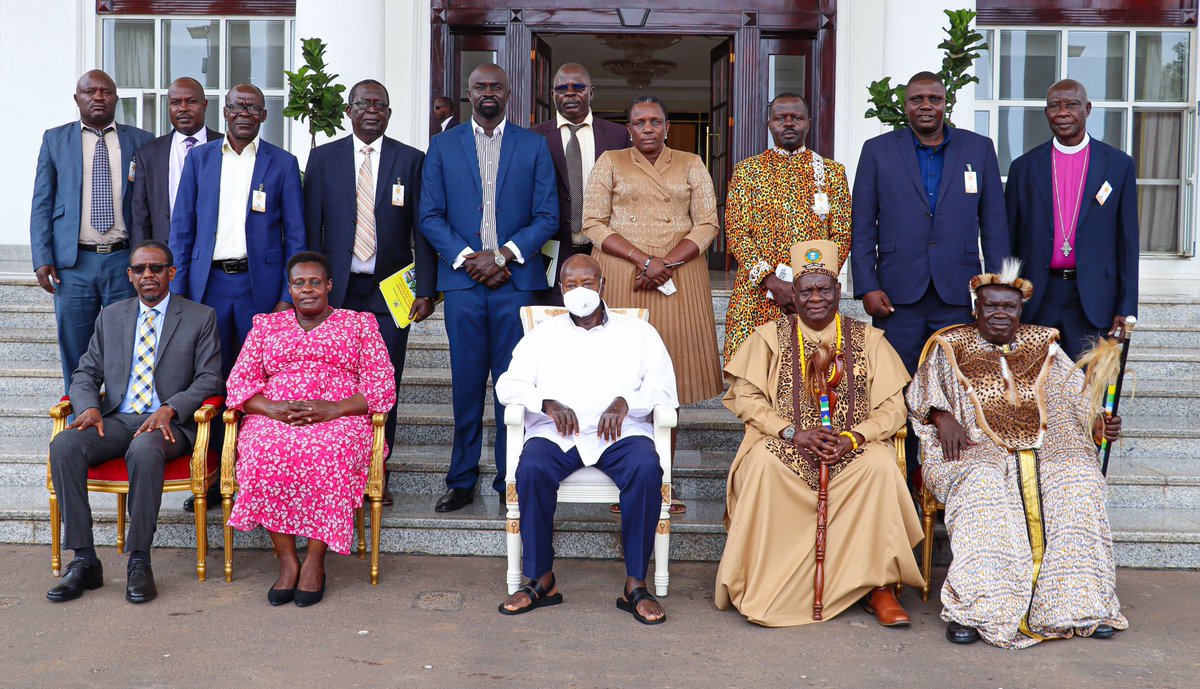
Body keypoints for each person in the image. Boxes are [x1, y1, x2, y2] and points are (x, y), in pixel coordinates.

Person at [907, 258, 1127, 648]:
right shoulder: (950, 346)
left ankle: (1079, 606)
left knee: (1078, 480)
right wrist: (942, 417)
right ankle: (978, 610)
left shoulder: (1045, 345)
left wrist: (1096, 426)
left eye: (1008, 307)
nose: (999, 314)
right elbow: (923, 394)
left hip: (1049, 447)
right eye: (990, 306)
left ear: (1021, 310)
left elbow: (1076, 398)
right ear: (975, 307)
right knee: (982, 486)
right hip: (979, 446)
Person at [716, 240, 923, 627]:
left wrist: (854, 438)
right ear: (792, 293)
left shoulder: (869, 340)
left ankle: (879, 587)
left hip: (850, 450)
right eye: (806, 290)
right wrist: (791, 432)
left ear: (839, 292)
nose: (815, 298)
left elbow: (893, 407)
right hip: (788, 445)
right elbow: (744, 397)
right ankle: (766, 579)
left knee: (880, 464)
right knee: (760, 463)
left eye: (823, 289)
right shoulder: (768, 337)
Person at [494, 254, 677, 624]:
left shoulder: (638, 333)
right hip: (560, 435)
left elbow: (664, 390)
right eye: (571, 285)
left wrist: (629, 402)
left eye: (587, 284)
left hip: (621, 434)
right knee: (530, 468)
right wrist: (543, 402)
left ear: (603, 285)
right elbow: (508, 384)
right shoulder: (541, 336)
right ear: (560, 290)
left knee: (645, 467)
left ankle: (635, 585)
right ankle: (542, 578)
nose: (580, 292)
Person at [46, 240, 223, 604]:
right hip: (116, 419)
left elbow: (210, 378)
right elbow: (85, 373)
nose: (148, 275)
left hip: (169, 424)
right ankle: (83, 559)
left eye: (156, 268)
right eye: (140, 269)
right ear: (129, 275)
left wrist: (171, 408)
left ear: (171, 273)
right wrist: (87, 408)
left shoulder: (199, 316)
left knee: (144, 449)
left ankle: (139, 559)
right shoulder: (111, 316)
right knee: (64, 444)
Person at [850, 71, 1008, 475]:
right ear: (905, 106)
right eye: (917, 99)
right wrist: (867, 284)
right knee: (895, 385)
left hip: (959, 294)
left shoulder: (979, 148)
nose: (926, 106)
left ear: (945, 103)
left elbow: (993, 225)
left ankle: (951, 473)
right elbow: (863, 223)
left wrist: (998, 289)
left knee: (956, 385)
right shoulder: (878, 151)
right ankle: (898, 478)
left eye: (933, 99)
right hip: (896, 296)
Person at [419, 63, 558, 513]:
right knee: (465, 385)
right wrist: (468, 258)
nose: (488, 92)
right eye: (480, 86)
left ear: (509, 92)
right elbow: (430, 216)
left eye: (496, 85)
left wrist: (502, 256)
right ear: (468, 92)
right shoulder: (442, 147)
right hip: (462, 284)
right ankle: (461, 480)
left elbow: (547, 216)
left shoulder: (534, 146)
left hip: (516, 285)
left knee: (512, 384)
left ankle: (509, 477)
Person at [225, 252, 396, 608]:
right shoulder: (267, 327)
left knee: (330, 453)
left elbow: (382, 385)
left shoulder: (358, 325)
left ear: (329, 286)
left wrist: (334, 409)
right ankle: (288, 562)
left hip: (340, 417)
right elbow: (239, 383)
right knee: (261, 453)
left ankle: (315, 563)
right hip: (274, 417)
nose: (307, 289)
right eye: (299, 283)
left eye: (315, 282)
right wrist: (270, 408)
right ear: (290, 288)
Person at [305, 78, 438, 507]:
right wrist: (308, 290)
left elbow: (424, 230)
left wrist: (429, 290)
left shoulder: (411, 160)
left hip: (390, 294)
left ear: (389, 113)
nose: (371, 111)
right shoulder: (324, 159)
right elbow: (311, 230)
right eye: (363, 104)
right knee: (333, 383)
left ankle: (376, 471)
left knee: (384, 385)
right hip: (336, 294)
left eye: (380, 104)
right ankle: (335, 471)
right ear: (349, 110)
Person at [583, 95, 723, 407]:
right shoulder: (610, 160)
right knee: (620, 367)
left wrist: (665, 264)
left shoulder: (691, 163)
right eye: (639, 123)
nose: (648, 128)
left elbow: (707, 224)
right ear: (628, 129)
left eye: (655, 122)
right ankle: (620, 451)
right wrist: (645, 261)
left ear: (667, 127)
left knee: (672, 371)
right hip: (623, 273)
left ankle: (663, 456)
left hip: (679, 274)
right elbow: (592, 222)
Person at [170, 83, 306, 379]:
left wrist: (287, 294)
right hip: (206, 284)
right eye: (237, 107)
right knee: (207, 370)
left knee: (258, 371)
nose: (244, 114)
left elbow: (296, 237)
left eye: (253, 108)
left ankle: (251, 428)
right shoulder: (200, 158)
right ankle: (213, 428)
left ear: (264, 115)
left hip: (260, 286)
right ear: (225, 112)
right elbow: (181, 228)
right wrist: (177, 289)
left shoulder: (283, 163)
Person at [30, 69, 154, 390]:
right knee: (75, 346)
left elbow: (151, 204)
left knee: (124, 345)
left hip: (124, 261)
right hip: (74, 265)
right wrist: (42, 257)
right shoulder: (55, 140)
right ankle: (77, 420)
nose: (98, 97)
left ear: (115, 98)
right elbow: (42, 203)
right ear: (77, 99)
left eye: (106, 91)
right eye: (90, 92)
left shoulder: (141, 141)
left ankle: (119, 423)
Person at [1005, 79, 1139, 360]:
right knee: (1034, 389)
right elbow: (1009, 240)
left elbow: (1128, 242)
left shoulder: (1118, 165)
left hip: (1094, 296)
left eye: (1072, 105)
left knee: (1088, 390)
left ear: (1087, 109)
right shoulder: (1023, 167)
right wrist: (1006, 301)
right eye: (1055, 106)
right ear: (1046, 113)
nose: (1063, 112)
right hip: (1038, 295)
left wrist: (1126, 307)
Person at [723, 92, 852, 361]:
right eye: (781, 118)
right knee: (754, 372)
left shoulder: (832, 172)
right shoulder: (748, 171)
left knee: (813, 373)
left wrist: (814, 283)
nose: (789, 123)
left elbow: (841, 233)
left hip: (813, 297)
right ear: (769, 123)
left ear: (808, 122)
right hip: (757, 291)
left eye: (797, 117)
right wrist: (770, 281)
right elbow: (736, 231)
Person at [530, 63, 631, 267]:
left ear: (591, 92)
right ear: (552, 94)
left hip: (608, 249)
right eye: (561, 89)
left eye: (578, 87)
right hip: (550, 249)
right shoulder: (533, 137)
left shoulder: (618, 136)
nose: (569, 94)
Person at [130, 77, 221, 245]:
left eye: (191, 101)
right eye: (176, 102)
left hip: (215, 255)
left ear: (205, 105)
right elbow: (140, 216)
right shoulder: (148, 154)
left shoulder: (225, 147)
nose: (183, 108)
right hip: (167, 254)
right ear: (168, 106)